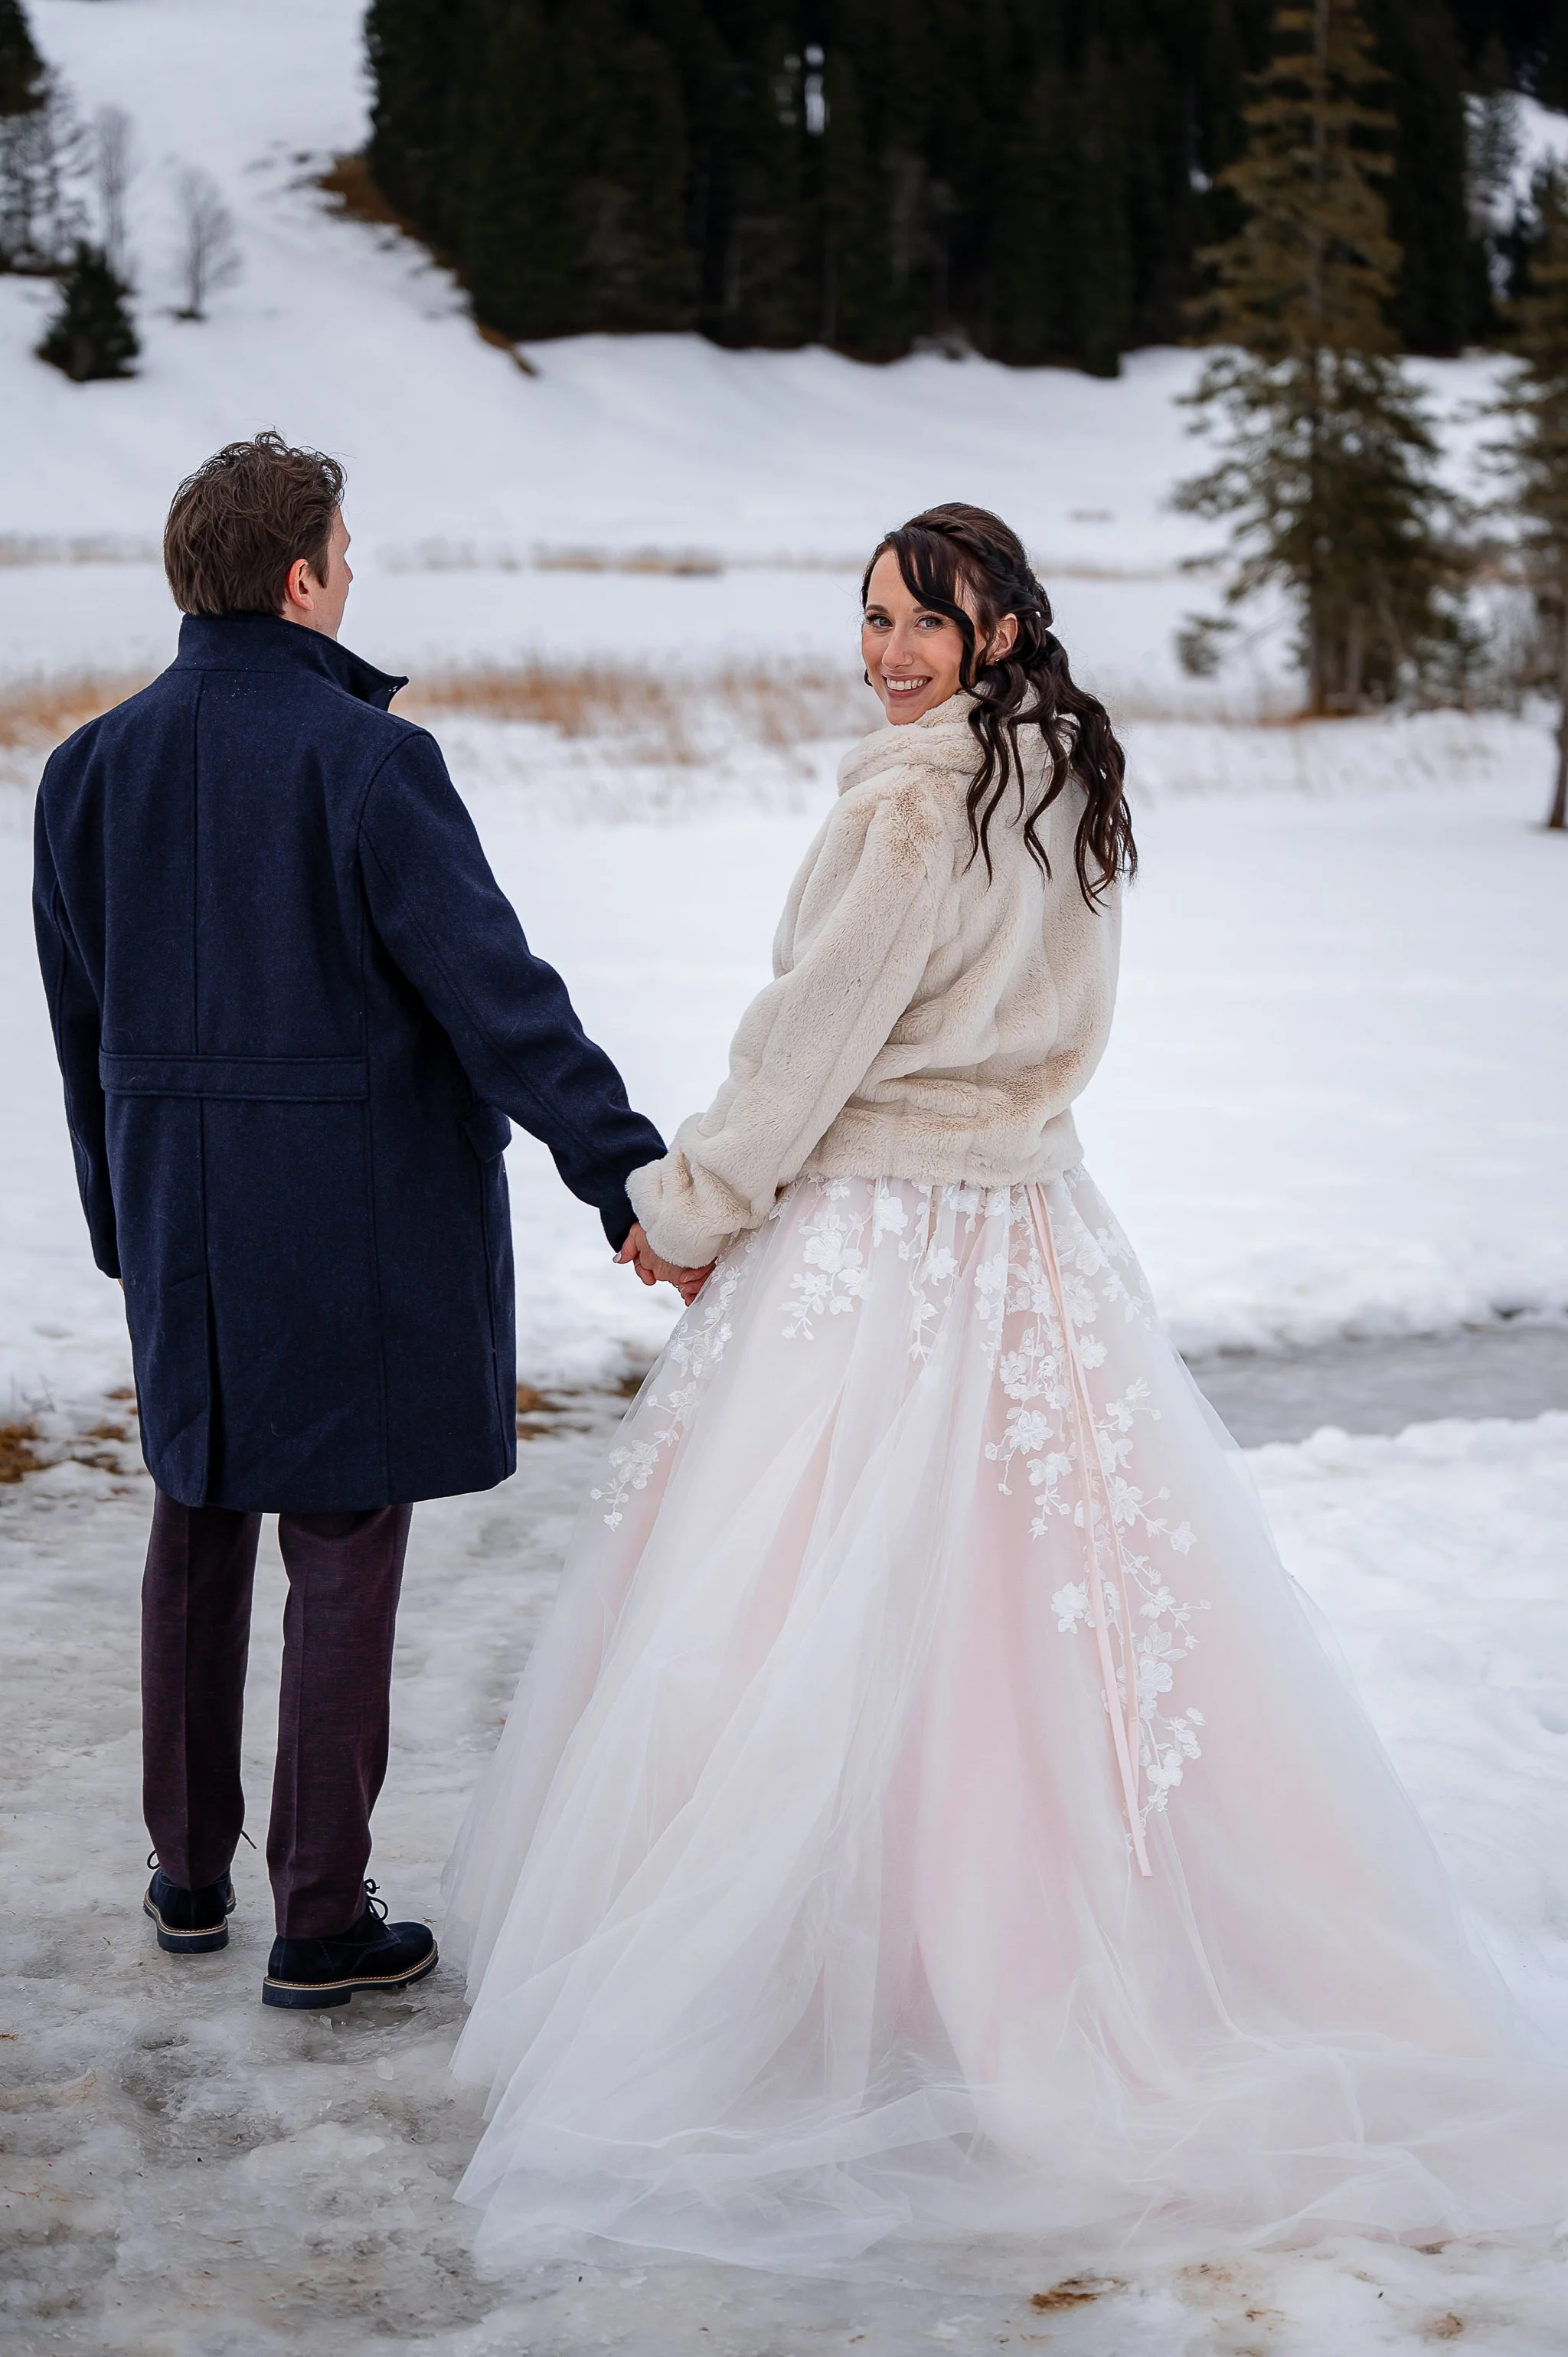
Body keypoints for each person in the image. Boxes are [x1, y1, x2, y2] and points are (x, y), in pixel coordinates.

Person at [443, 502, 1568, 2271]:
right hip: (1035, 1238)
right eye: (872, 617)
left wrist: (687, 1207)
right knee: (1027, 1622)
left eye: (921, 621)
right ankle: (1001, 1936)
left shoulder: (911, 805)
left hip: (885, 1241)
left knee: (834, 1605)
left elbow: (802, 1048)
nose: (887, 650)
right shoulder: (1068, 783)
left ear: (998, 628)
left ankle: (855, 1966)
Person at [32, 431, 693, 2011]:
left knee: (196, 1519)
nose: (353, 574)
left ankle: (188, 1875)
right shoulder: (368, 761)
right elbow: (496, 1001)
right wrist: (627, 1171)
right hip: (347, 1222)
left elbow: (81, 1029)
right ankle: (320, 1917)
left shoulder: (86, 766)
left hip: (183, 1217)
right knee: (337, 1541)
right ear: (301, 576)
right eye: (347, 549)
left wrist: (122, 1216)